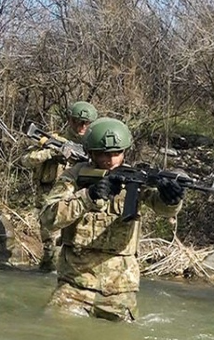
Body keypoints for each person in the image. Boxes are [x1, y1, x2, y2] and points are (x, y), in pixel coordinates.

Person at [40, 117, 184, 322]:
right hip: (74, 285)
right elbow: (48, 218)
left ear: (125, 151)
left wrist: (171, 200)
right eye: (103, 154)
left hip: (120, 289)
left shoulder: (135, 179)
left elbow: (163, 209)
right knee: (52, 326)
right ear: (90, 153)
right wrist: (88, 196)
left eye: (116, 153)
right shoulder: (74, 177)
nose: (110, 160)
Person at [20, 101, 98, 272]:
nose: (81, 126)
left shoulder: (94, 146)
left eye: (86, 123)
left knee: (78, 249)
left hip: (80, 203)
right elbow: (25, 160)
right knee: (51, 251)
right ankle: (45, 281)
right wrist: (51, 152)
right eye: (77, 121)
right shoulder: (52, 139)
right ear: (69, 120)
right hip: (51, 203)